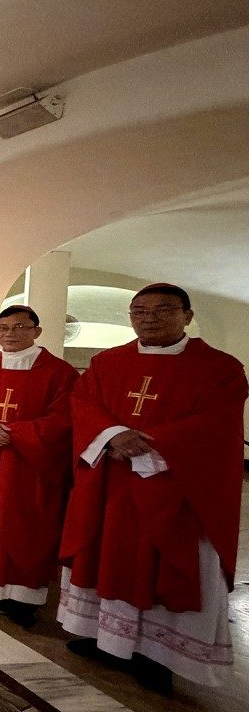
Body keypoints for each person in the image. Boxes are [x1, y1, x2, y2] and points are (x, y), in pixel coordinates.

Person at [58, 283, 247, 690]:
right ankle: (107, 639)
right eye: (139, 310)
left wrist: (145, 444)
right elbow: (83, 401)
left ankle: (159, 654)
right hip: (112, 484)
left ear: (187, 316)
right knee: (111, 554)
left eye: (163, 310)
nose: (149, 318)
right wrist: (111, 434)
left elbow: (216, 426)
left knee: (165, 565)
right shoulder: (108, 362)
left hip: (176, 489)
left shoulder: (220, 368)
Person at [0, 305, 77, 626]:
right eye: (3, 328)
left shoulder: (59, 373)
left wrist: (13, 432)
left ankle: (23, 598)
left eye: (19, 327)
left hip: (28, 467)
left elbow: (64, 418)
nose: (10, 334)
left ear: (36, 331)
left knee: (24, 525)